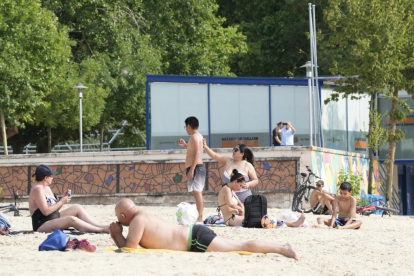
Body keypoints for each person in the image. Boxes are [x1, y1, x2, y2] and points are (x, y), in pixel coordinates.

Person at [109, 198, 300, 260]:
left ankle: (283, 248)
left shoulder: (136, 221)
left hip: (195, 239)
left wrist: (116, 234)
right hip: (195, 235)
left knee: (241, 246)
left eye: (119, 218)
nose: (119, 221)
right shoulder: (143, 215)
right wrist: (117, 234)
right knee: (239, 245)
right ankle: (282, 247)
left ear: (123, 216)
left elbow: (129, 249)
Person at [28, 164, 108, 233]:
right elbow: (45, 212)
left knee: (76, 208)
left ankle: (100, 226)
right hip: (42, 224)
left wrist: (63, 199)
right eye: (51, 176)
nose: (52, 178)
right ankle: (100, 230)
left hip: (52, 218)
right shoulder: (38, 189)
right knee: (71, 219)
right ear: (46, 178)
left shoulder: (47, 188)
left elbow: (54, 210)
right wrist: (61, 202)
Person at [218, 169, 306, 228]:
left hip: (237, 216)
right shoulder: (226, 189)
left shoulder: (231, 190)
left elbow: (239, 203)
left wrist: (242, 210)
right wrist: (240, 209)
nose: (240, 188)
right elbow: (230, 204)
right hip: (231, 219)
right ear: (235, 181)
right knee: (262, 220)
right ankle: (293, 224)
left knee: (266, 216)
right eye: (240, 185)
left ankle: (293, 223)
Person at [177, 116, 206, 223]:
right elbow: (193, 151)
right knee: (195, 193)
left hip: (197, 168)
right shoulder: (195, 137)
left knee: (197, 193)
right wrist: (185, 145)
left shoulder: (195, 137)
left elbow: (198, 153)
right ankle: (199, 216)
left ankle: (200, 217)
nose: (185, 128)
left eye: (185, 126)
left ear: (189, 126)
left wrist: (192, 170)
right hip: (195, 168)